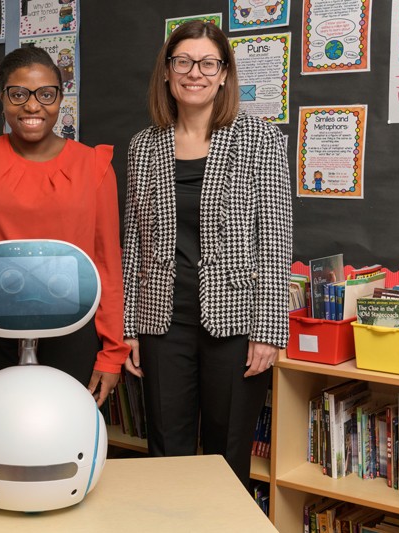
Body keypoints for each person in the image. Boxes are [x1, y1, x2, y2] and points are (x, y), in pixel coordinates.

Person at [122, 20, 292, 488]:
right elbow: (133, 242)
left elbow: (276, 242)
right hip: (162, 322)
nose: (194, 72)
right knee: (166, 450)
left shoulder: (259, 139)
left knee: (226, 453)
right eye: (183, 61)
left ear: (223, 74)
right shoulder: (143, 146)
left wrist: (269, 330)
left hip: (235, 324)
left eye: (208, 63)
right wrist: (128, 326)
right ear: (167, 72)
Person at [0, 46, 129, 407]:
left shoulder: (93, 165)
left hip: (72, 331)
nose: (32, 106)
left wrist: (112, 352)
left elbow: (107, 265)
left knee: (66, 435)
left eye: (46, 94)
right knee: (0, 433)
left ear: (60, 97)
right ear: (3, 97)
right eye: (18, 93)